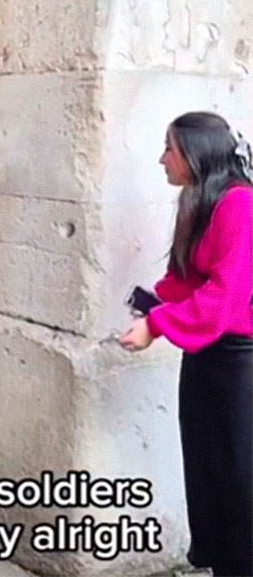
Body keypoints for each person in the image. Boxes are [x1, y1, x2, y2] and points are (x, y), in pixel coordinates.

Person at [119, 111, 252, 577]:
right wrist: (150, 305)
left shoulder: (240, 206)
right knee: (208, 476)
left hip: (239, 368)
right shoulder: (200, 201)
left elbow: (223, 298)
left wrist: (156, 325)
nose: (162, 159)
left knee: (239, 482)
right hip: (204, 360)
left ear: (195, 155)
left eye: (169, 150)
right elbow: (186, 280)